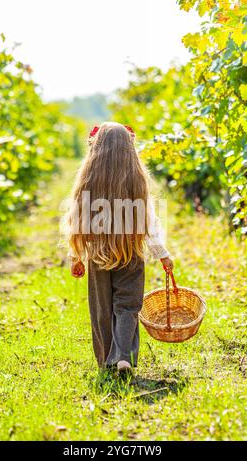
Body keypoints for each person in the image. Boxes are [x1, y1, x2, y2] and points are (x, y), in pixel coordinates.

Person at [65, 122, 173, 374]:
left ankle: (105, 361)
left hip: (98, 256)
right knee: (127, 306)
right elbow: (149, 221)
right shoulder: (136, 179)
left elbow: (76, 218)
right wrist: (162, 254)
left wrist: (76, 256)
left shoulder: (89, 179)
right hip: (130, 253)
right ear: (129, 149)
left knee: (102, 309)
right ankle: (123, 356)